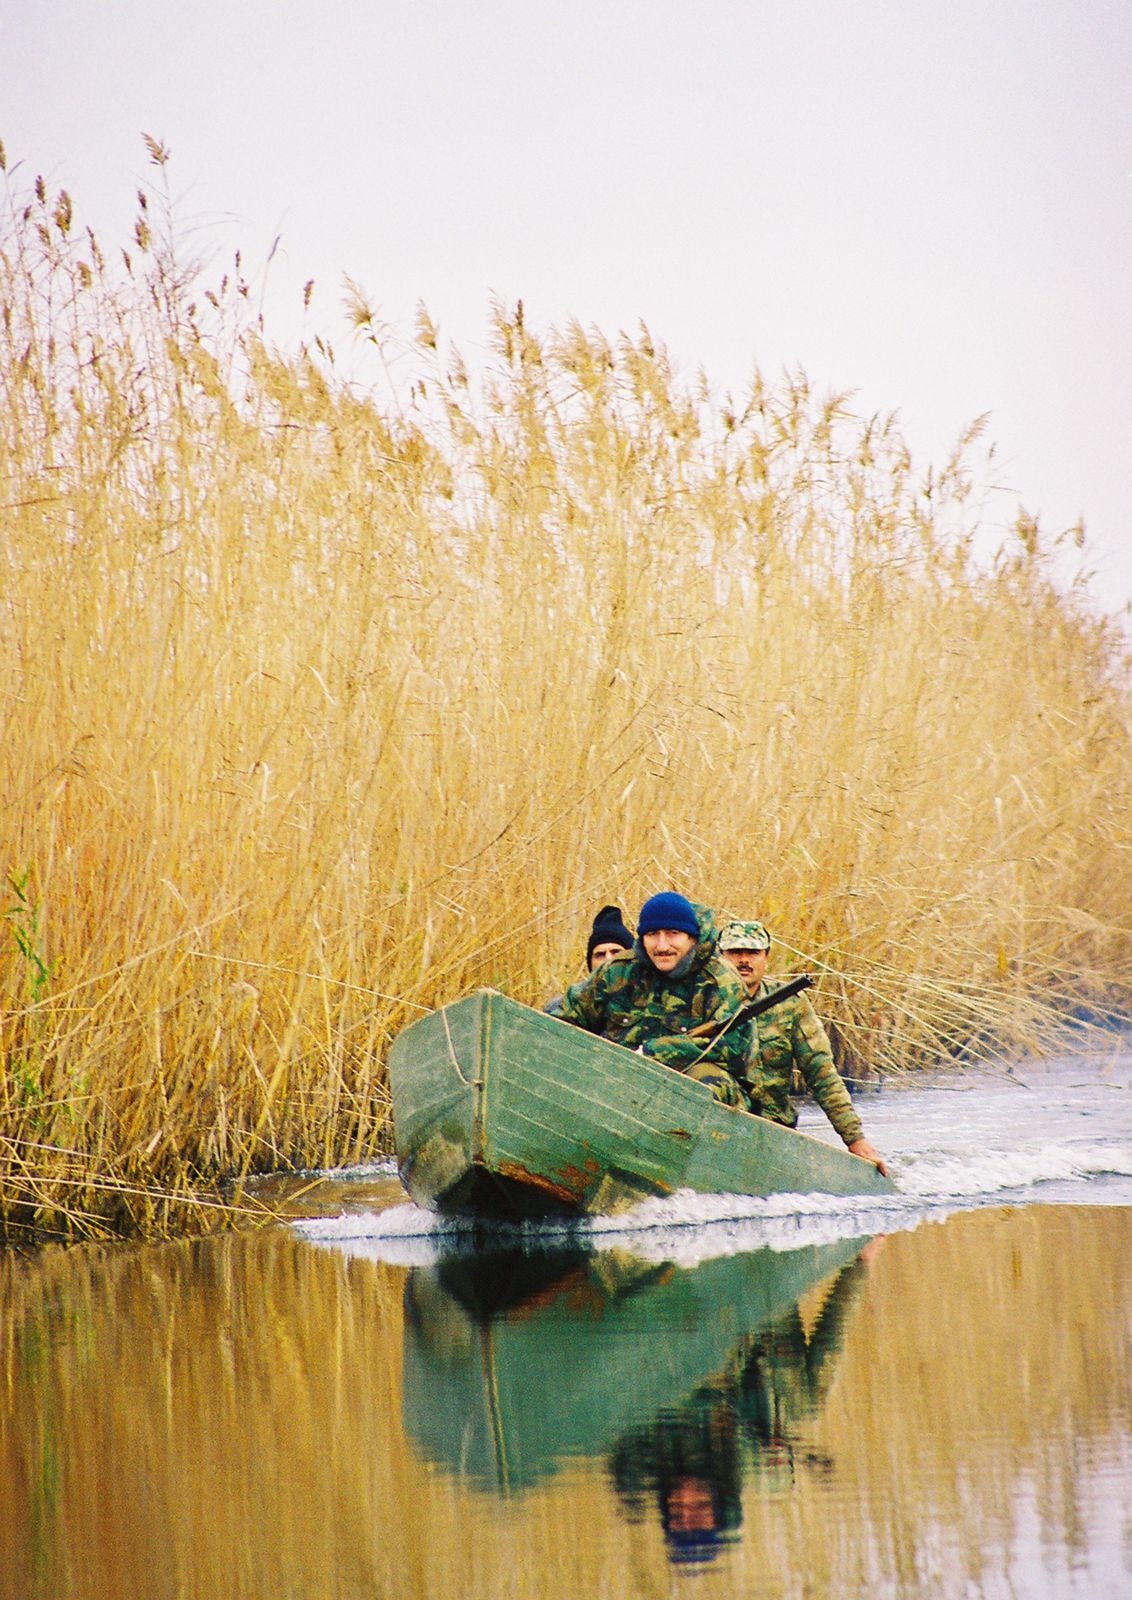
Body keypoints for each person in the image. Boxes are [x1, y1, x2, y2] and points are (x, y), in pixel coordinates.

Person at [718, 919, 889, 1176]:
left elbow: (822, 1074)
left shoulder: (790, 1003)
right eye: (734, 952)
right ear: (720, 958)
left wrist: (855, 1139)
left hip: (773, 1130)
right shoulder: (702, 1002)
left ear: (766, 957)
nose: (744, 960)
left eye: (752, 952)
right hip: (721, 1123)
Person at [556, 892, 752, 1106]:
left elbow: (734, 1049)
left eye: (673, 934)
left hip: (689, 1088)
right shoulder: (618, 971)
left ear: (692, 938)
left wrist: (655, 1052)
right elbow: (565, 1018)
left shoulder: (721, 983)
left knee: (706, 1080)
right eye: (652, 934)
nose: (662, 946)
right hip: (616, 1079)